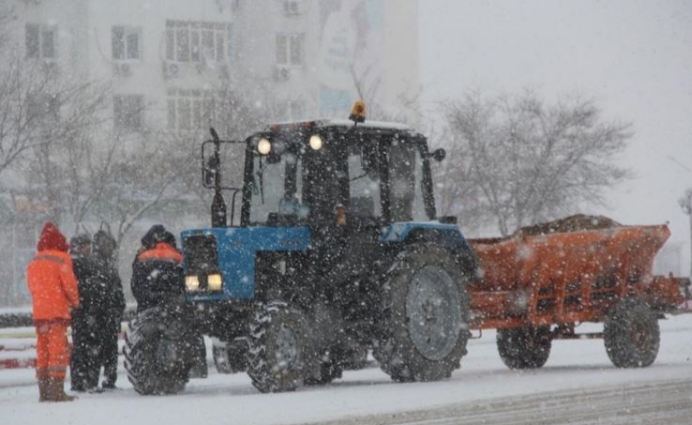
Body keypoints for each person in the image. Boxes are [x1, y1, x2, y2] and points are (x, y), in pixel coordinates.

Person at [27, 222, 79, 402]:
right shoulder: (62, 259)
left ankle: (43, 391)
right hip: (57, 312)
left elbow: (32, 288)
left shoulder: (34, 261)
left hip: (40, 313)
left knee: (43, 350)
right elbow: (70, 286)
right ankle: (56, 391)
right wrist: (76, 302)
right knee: (57, 351)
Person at [91, 229, 125, 390]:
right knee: (101, 349)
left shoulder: (108, 264)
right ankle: (100, 381)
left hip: (108, 315)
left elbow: (117, 290)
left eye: (111, 245)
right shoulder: (97, 264)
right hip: (102, 316)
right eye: (106, 245)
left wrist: (118, 308)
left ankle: (108, 380)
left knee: (109, 349)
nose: (109, 248)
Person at [68, 233, 99, 393]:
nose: (88, 248)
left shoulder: (81, 262)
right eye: (86, 245)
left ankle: (85, 381)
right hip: (83, 311)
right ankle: (83, 381)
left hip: (85, 311)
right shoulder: (77, 263)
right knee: (83, 346)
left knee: (85, 346)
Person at [131, 224, 184, 312]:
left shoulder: (143, 258)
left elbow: (136, 286)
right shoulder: (178, 256)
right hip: (175, 309)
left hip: (147, 308)